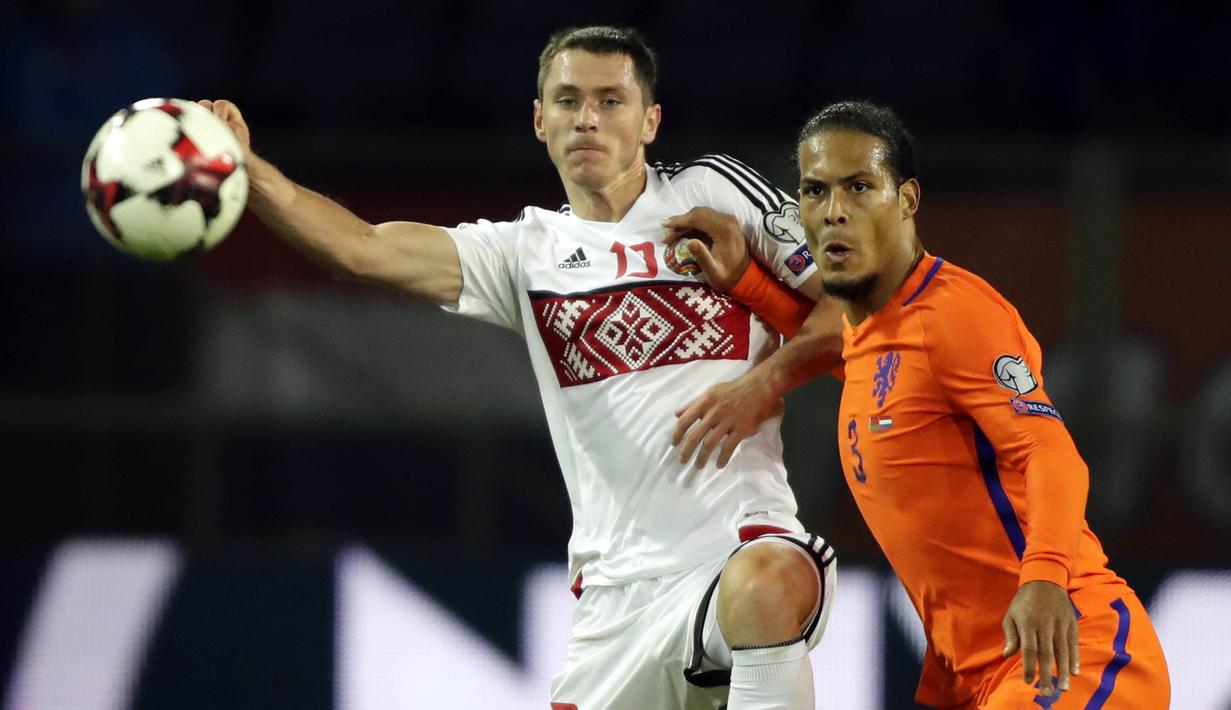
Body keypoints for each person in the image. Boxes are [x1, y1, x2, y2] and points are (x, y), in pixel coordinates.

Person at [202, 25, 845, 710]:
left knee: (768, 582)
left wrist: (763, 383)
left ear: (650, 120)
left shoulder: (714, 192)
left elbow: (851, 312)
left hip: (734, 545)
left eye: (610, 100)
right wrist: (251, 172)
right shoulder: (525, 252)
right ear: (540, 120)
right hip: (615, 601)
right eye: (567, 100)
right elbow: (361, 250)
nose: (588, 118)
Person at [673, 101, 1171, 708]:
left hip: (1069, 652)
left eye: (860, 187)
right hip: (975, 674)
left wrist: (1043, 580)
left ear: (906, 199)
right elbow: (859, 359)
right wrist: (748, 284)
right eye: (815, 190)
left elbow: (1051, 453)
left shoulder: (954, 314)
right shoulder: (878, 331)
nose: (835, 211)